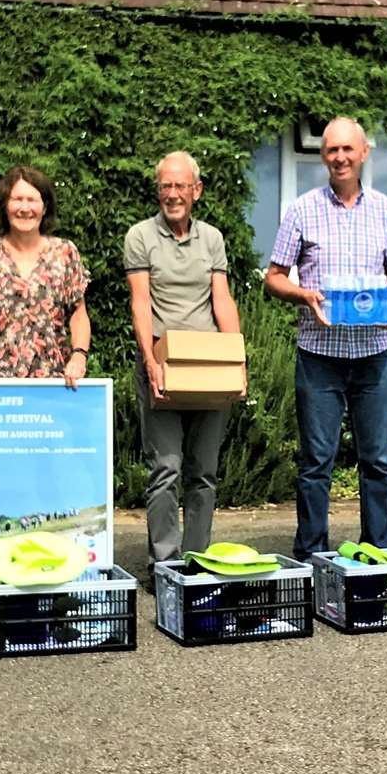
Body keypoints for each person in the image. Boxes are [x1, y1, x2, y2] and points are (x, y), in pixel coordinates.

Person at [264, 116, 387, 560]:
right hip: (320, 355)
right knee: (316, 464)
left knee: (378, 463)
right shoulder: (301, 209)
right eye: (332, 151)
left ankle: (376, 554)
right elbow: (273, 277)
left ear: (364, 152)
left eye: (348, 149)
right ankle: (312, 556)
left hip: (375, 355)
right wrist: (302, 294)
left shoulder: (385, 209)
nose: (340, 158)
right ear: (322, 155)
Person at [125, 150, 241, 574]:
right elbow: (140, 303)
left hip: (208, 366)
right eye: (165, 186)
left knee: (204, 473)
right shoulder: (140, 236)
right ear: (158, 190)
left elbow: (222, 300)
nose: (173, 194)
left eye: (180, 186)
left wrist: (237, 362)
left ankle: (197, 563)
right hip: (163, 365)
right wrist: (150, 363)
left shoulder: (211, 238)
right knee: (166, 469)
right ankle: (166, 567)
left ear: (197, 191)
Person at [0, 165, 90, 389]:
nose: (24, 208)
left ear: (45, 207)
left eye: (32, 200)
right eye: (17, 199)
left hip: (53, 382)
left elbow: (78, 315)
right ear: (5, 206)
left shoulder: (65, 253)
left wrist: (79, 356)